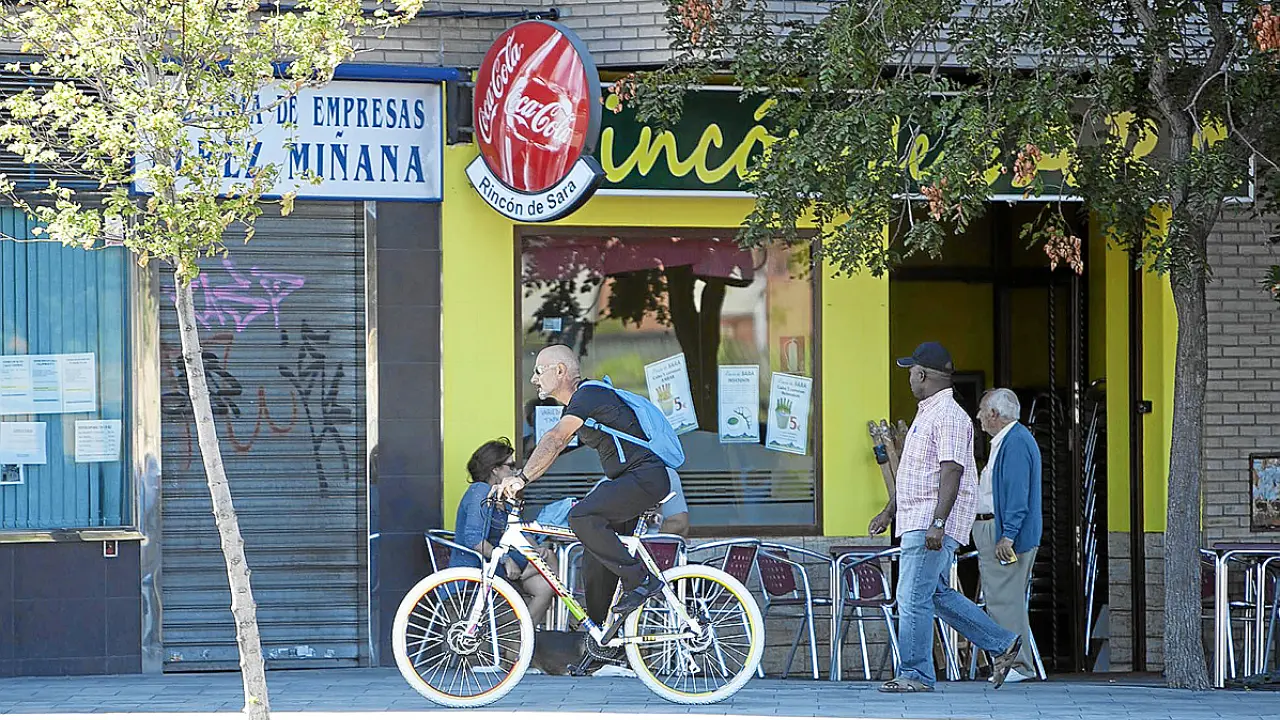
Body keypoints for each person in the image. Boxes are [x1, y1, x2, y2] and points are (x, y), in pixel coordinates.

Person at [869, 342, 1022, 692]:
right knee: (933, 593)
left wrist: (938, 523)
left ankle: (915, 675)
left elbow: (951, 470)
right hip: (918, 518)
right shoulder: (929, 413)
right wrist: (890, 511)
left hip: (930, 522)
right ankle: (1001, 643)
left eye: (911, 371)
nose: (909, 378)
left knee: (911, 596)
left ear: (923, 374)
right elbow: (916, 474)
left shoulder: (949, 416)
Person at [497, 344, 672, 621]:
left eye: (538, 371)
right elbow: (555, 446)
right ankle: (598, 632)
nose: (533, 379)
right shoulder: (579, 404)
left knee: (581, 515)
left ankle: (640, 581)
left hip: (643, 478)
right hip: (630, 481)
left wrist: (521, 478)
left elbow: (556, 439)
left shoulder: (589, 395)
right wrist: (525, 479)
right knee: (596, 552)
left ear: (560, 371)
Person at [974, 388, 1043, 683]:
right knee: (1004, 598)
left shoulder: (1014, 442)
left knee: (1004, 600)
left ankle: (1016, 665)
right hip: (998, 528)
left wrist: (1008, 536)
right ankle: (1015, 663)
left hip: (1002, 531)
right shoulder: (1010, 440)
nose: (978, 416)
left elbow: (1017, 494)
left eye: (981, 410)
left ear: (993, 414)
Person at [453, 437, 557, 623]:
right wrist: (506, 560)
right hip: (480, 569)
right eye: (511, 466)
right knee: (549, 559)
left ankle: (522, 637)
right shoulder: (480, 490)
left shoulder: (502, 498)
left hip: (498, 567)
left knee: (545, 586)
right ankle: (571, 618)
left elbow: (520, 532)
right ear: (495, 469)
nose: (515, 471)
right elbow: (474, 538)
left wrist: (535, 551)